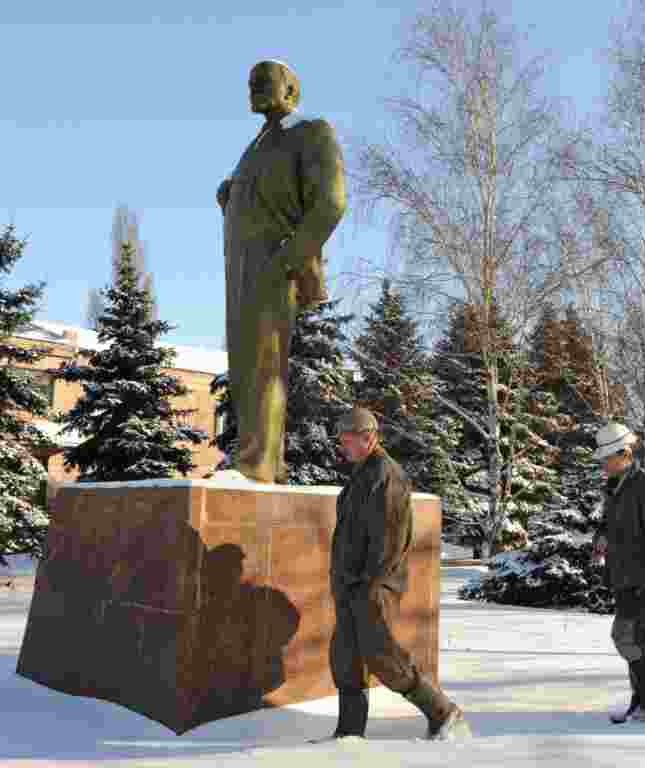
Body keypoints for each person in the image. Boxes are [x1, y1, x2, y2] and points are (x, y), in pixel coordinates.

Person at [217, 59, 346, 483]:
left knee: (265, 364)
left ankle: (258, 464)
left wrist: (289, 260)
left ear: (291, 89)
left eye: (263, 81)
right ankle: (256, 458)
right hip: (240, 266)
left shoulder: (310, 132)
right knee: (244, 365)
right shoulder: (255, 146)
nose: (253, 87)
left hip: (274, 263)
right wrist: (230, 195)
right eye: (250, 82)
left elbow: (331, 203)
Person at [323, 407, 470, 741]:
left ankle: (443, 712)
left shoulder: (385, 475)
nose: (342, 446)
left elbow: (390, 537)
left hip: (373, 585)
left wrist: (370, 584)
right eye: (341, 440)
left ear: (368, 437)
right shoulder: (362, 473)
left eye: (347, 440)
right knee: (345, 658)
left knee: (383, 657)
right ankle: (349, 734)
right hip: (351, 585)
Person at [591, 423, 645, 723]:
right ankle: (643, 699)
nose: (603, 464)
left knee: (626, 636)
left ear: (625, 453)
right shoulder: (617, 486)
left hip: (643, 576)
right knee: (636, 640)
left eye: (607, 458)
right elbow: (610, 525)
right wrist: (601, 538)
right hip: (623, 574)